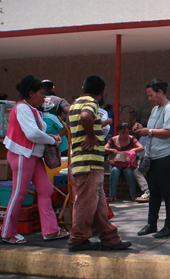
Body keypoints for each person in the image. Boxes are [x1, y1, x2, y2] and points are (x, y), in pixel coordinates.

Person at [1, 75, 68, 244]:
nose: (44, 97)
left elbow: (35, 133)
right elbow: (32, 134)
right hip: (24, 155)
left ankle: (51, 230)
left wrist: (48, 137)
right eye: (41, 93)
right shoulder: (23, 108)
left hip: (32, 156)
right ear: (31, 93)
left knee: (45, 190)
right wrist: (52, 139)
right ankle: (8, 233)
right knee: (19, 193)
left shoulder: (31, 109)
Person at [68, 75, 131, 252]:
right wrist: (91, 135)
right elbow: (86, 117)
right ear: (103, 91)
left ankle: (109, 237)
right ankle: (77, 238)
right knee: (86, 202)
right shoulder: (91, 103)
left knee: (98, 203)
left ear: (83, 88)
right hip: (89, 163)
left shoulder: (75, 104)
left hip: (84, 161)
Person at [133, 79, 170, 239]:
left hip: (167, 157)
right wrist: (142, 129)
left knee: (168, 192)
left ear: (160, 92)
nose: (150, 98)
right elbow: (152, 130)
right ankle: (151, 223)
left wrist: (149, 132)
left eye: (151, 95)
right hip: (152, 157)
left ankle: (169, 225)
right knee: (153, 191)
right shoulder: (155, 110)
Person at [105, 122, 144, 202]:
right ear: (118, 132)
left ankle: (133, 194)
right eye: (122, 133)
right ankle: (112, 195)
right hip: (115, 163)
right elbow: (104, 149)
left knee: (129, 172)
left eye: (126, 132)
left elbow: (141, 148)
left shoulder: (132, 139)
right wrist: (112, 150)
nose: (125, 135)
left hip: (127, 164)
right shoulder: (113, 139)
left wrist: (133, 150)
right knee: (114, 171)